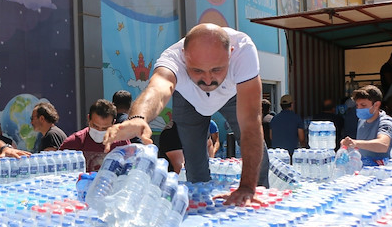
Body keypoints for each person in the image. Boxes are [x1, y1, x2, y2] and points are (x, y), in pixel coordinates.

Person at [103, 23, 269, 206]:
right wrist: (138, 118)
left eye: (216, 69)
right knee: (195, 164)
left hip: (232, 97)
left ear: (230, 53)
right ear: (184, 56)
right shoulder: (173, 58)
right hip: (189, 101)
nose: (207, 80)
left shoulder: (243, 50)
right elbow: (158, 89)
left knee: (257, 153)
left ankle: (257, 195)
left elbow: (250, 124)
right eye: (197, 70)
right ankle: (202, 207)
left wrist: (247, 187)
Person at [60, 99, 130, 171]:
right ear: (88, 119)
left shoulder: (121, 142)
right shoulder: (74, 142)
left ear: (113, 123)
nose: (99, 131)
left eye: (104, 128)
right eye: (95, 126)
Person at [340, 85, 392, 166]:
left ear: (376, 105)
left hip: (380, 172)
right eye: (357, 105)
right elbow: (362, 147)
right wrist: (348, 145)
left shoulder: (385, 122)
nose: (359, 109)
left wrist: (355, 143)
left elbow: (383, 145)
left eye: (363, 105)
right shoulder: (361, 121)